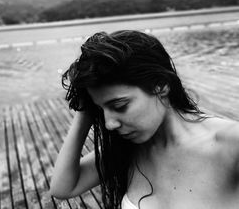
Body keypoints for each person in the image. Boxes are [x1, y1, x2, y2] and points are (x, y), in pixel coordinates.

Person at [49, 30, 239, 209]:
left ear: (160, 85)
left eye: (119, 106)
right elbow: (64, 187)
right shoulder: (128, 149)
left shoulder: (230, 144)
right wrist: (85, 110)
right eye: (101, 109)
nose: (109, 124)